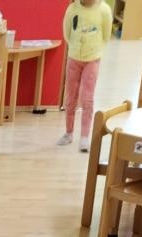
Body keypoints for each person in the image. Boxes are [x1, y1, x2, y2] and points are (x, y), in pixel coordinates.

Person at [59, 0, 113, 151]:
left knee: (87, 98)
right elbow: (67, 33)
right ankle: (69, 133)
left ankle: (84, 137)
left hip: (93, 59)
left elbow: (106, 36)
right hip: (74, 58)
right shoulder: (72, 9)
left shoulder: (104, 10)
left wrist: (94, 51)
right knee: (71, 97)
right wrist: (75, 49)